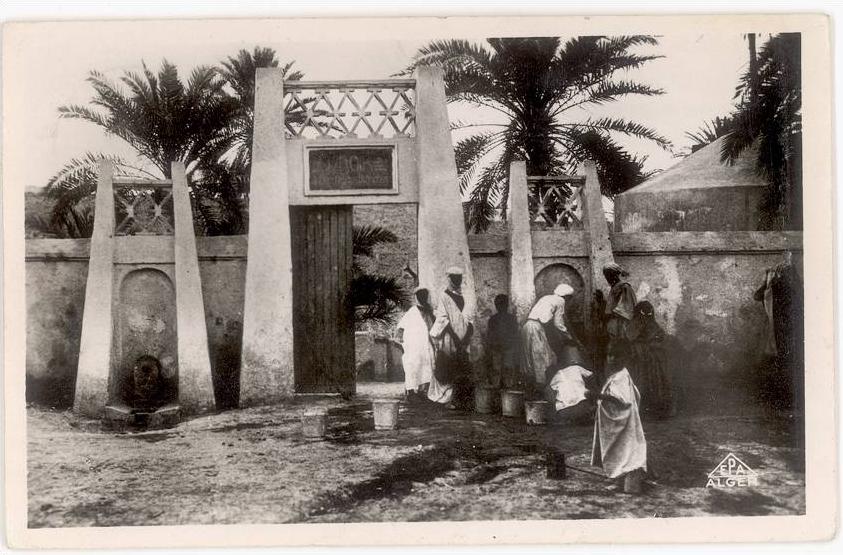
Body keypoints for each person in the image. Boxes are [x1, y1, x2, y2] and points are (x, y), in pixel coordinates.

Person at [589, 340, 648, 493]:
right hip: (618, 424)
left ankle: (628, 481)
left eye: (616, 356)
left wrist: (599, 396)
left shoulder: (621, 378)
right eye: (609, 355)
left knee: (624, 451)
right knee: (619, 451)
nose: (612, 359)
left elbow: (622, 400)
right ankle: (619, 479)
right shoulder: (618, 376)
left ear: (625, 358)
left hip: (623, 425)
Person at [753, 251, 804, 411]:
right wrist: (768, 281)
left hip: (786, 329)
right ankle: (779, 399)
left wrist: (773, 280)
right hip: (775, 329)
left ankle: (786, 400)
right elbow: (758, 296)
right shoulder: (775, 284)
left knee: (786, 362)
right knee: (776, 362)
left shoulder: (789, 285)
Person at [521, 282, 584, 396]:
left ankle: (531, 390)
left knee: (529, 359)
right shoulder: (561, 301)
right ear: (567, 297)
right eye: (569, 298)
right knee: (541, 359)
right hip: (536, 328)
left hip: (527, 326)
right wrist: (569, 338)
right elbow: (558, 324)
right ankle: (541, 391)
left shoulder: (547, 298)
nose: (569, 301)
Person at [428, 266, 474, 409]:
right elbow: (443, 319)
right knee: (450, 366)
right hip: (450, 338)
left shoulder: (465, 296)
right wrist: (455, 338)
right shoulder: (444, 296)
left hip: (464, 338)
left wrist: (466, 337)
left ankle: (462, 400)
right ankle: (450, 399)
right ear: (449, 278)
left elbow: (470, 319)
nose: (457, 280)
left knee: (464, 367)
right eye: (454, 278)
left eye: (459, 278)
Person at [627, 301, 674, 419]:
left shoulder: (654, 325)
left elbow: (661, 338)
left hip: (653, 362)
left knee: (656, 383)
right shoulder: (634, 324)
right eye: (644, 312)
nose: (646, 316)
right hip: (639, 361)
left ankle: (655, 408)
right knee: (640, 383)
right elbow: (631, 338)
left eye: (649, 313)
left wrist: (654, 345)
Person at [395, 288, 436, 403]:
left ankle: (423, 392)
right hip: (414, 347)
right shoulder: (412, 312)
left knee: (427, 367)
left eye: (425, 295)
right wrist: (402, 343)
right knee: (413, 368)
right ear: (417, 297)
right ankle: (411, 393)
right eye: (421, 295)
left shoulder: (429, 312)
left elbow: (433, 327)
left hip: (426, 345)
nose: (423, 298)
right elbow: (400, 328)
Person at [602, 263, 637, 379]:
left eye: (609, 274)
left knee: (620, 349)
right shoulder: (614, 287)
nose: (607, 277)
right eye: (606, 275)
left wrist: (611, 313)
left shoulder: (624, 287)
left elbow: (628, 307)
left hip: (621, 324)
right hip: (613, 324)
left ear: (616, 274)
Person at [485, 294, 520, 388]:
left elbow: (515, 335)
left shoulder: (510, 319)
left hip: (505, 349)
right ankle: (501, 390)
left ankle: (505, 390)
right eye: (499, 305)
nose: (501, 307)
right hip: (499, 349)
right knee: (500, 370)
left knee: (505, 370)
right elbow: (490, 336)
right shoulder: (494, 319)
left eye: (502, 304)